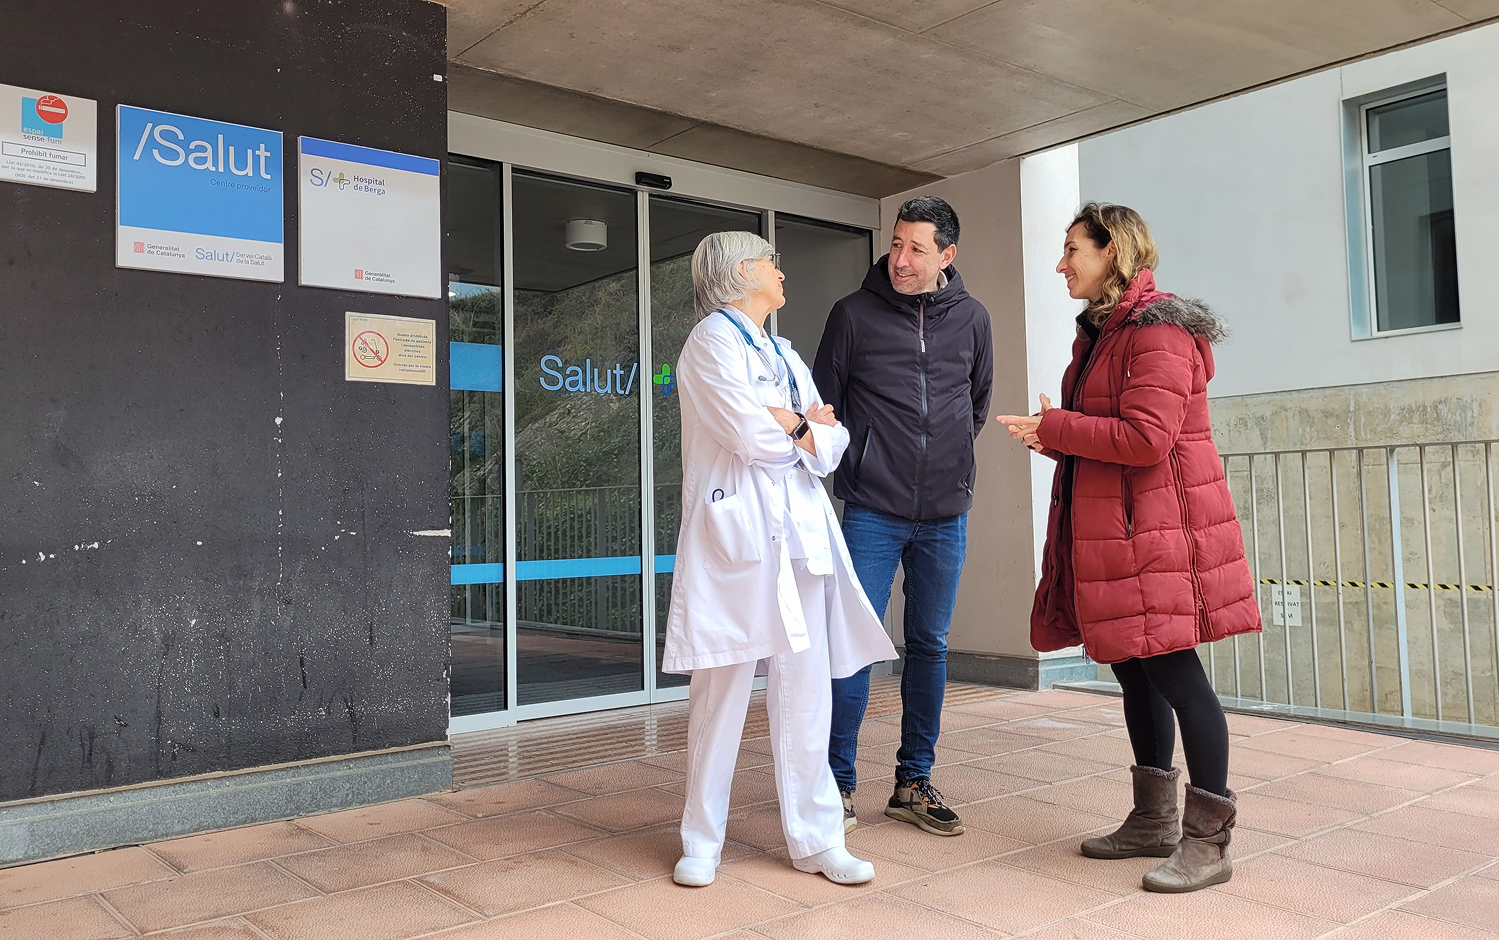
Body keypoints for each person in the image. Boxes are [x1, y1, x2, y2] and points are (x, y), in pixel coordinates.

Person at [995, 203, 1261, 893]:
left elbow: (1147, 438)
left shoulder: (1159, 332)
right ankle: (1152, 822)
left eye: (1071, 250)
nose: (1060, 264)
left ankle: (1208, 843)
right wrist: (1055, 433)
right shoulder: (1104, 334)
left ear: (1112, 251)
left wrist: (1059, 427)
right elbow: (1103, 429)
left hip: (1159, 533)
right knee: (1133, 670)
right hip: (1125, 533)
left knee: (1175, 674)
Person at [662, 231, 898, 888]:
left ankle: (817, 839)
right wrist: (799, 426)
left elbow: (829, 447)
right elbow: (746, 435)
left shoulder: (783, 351)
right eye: (770, 260)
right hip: (736, 538)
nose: (780, 271)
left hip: (799, 540)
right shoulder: (710, 341)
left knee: (804, 695)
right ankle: (700, 840)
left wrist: (793, 426)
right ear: (742, 272)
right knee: (721, 695)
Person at [813, 196, 993, 837]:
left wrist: (945, 465)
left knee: (930, 646)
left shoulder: (972, 319)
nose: (901, 259)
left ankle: (913, 783)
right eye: (896, 244)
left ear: (947, 255)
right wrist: (866, 461)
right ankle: (834, 785)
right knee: (852, 646)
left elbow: (974, 406)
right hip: (871, 511)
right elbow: (822, 408)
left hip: (946, 513)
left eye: (917, 248)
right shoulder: (853, 315)